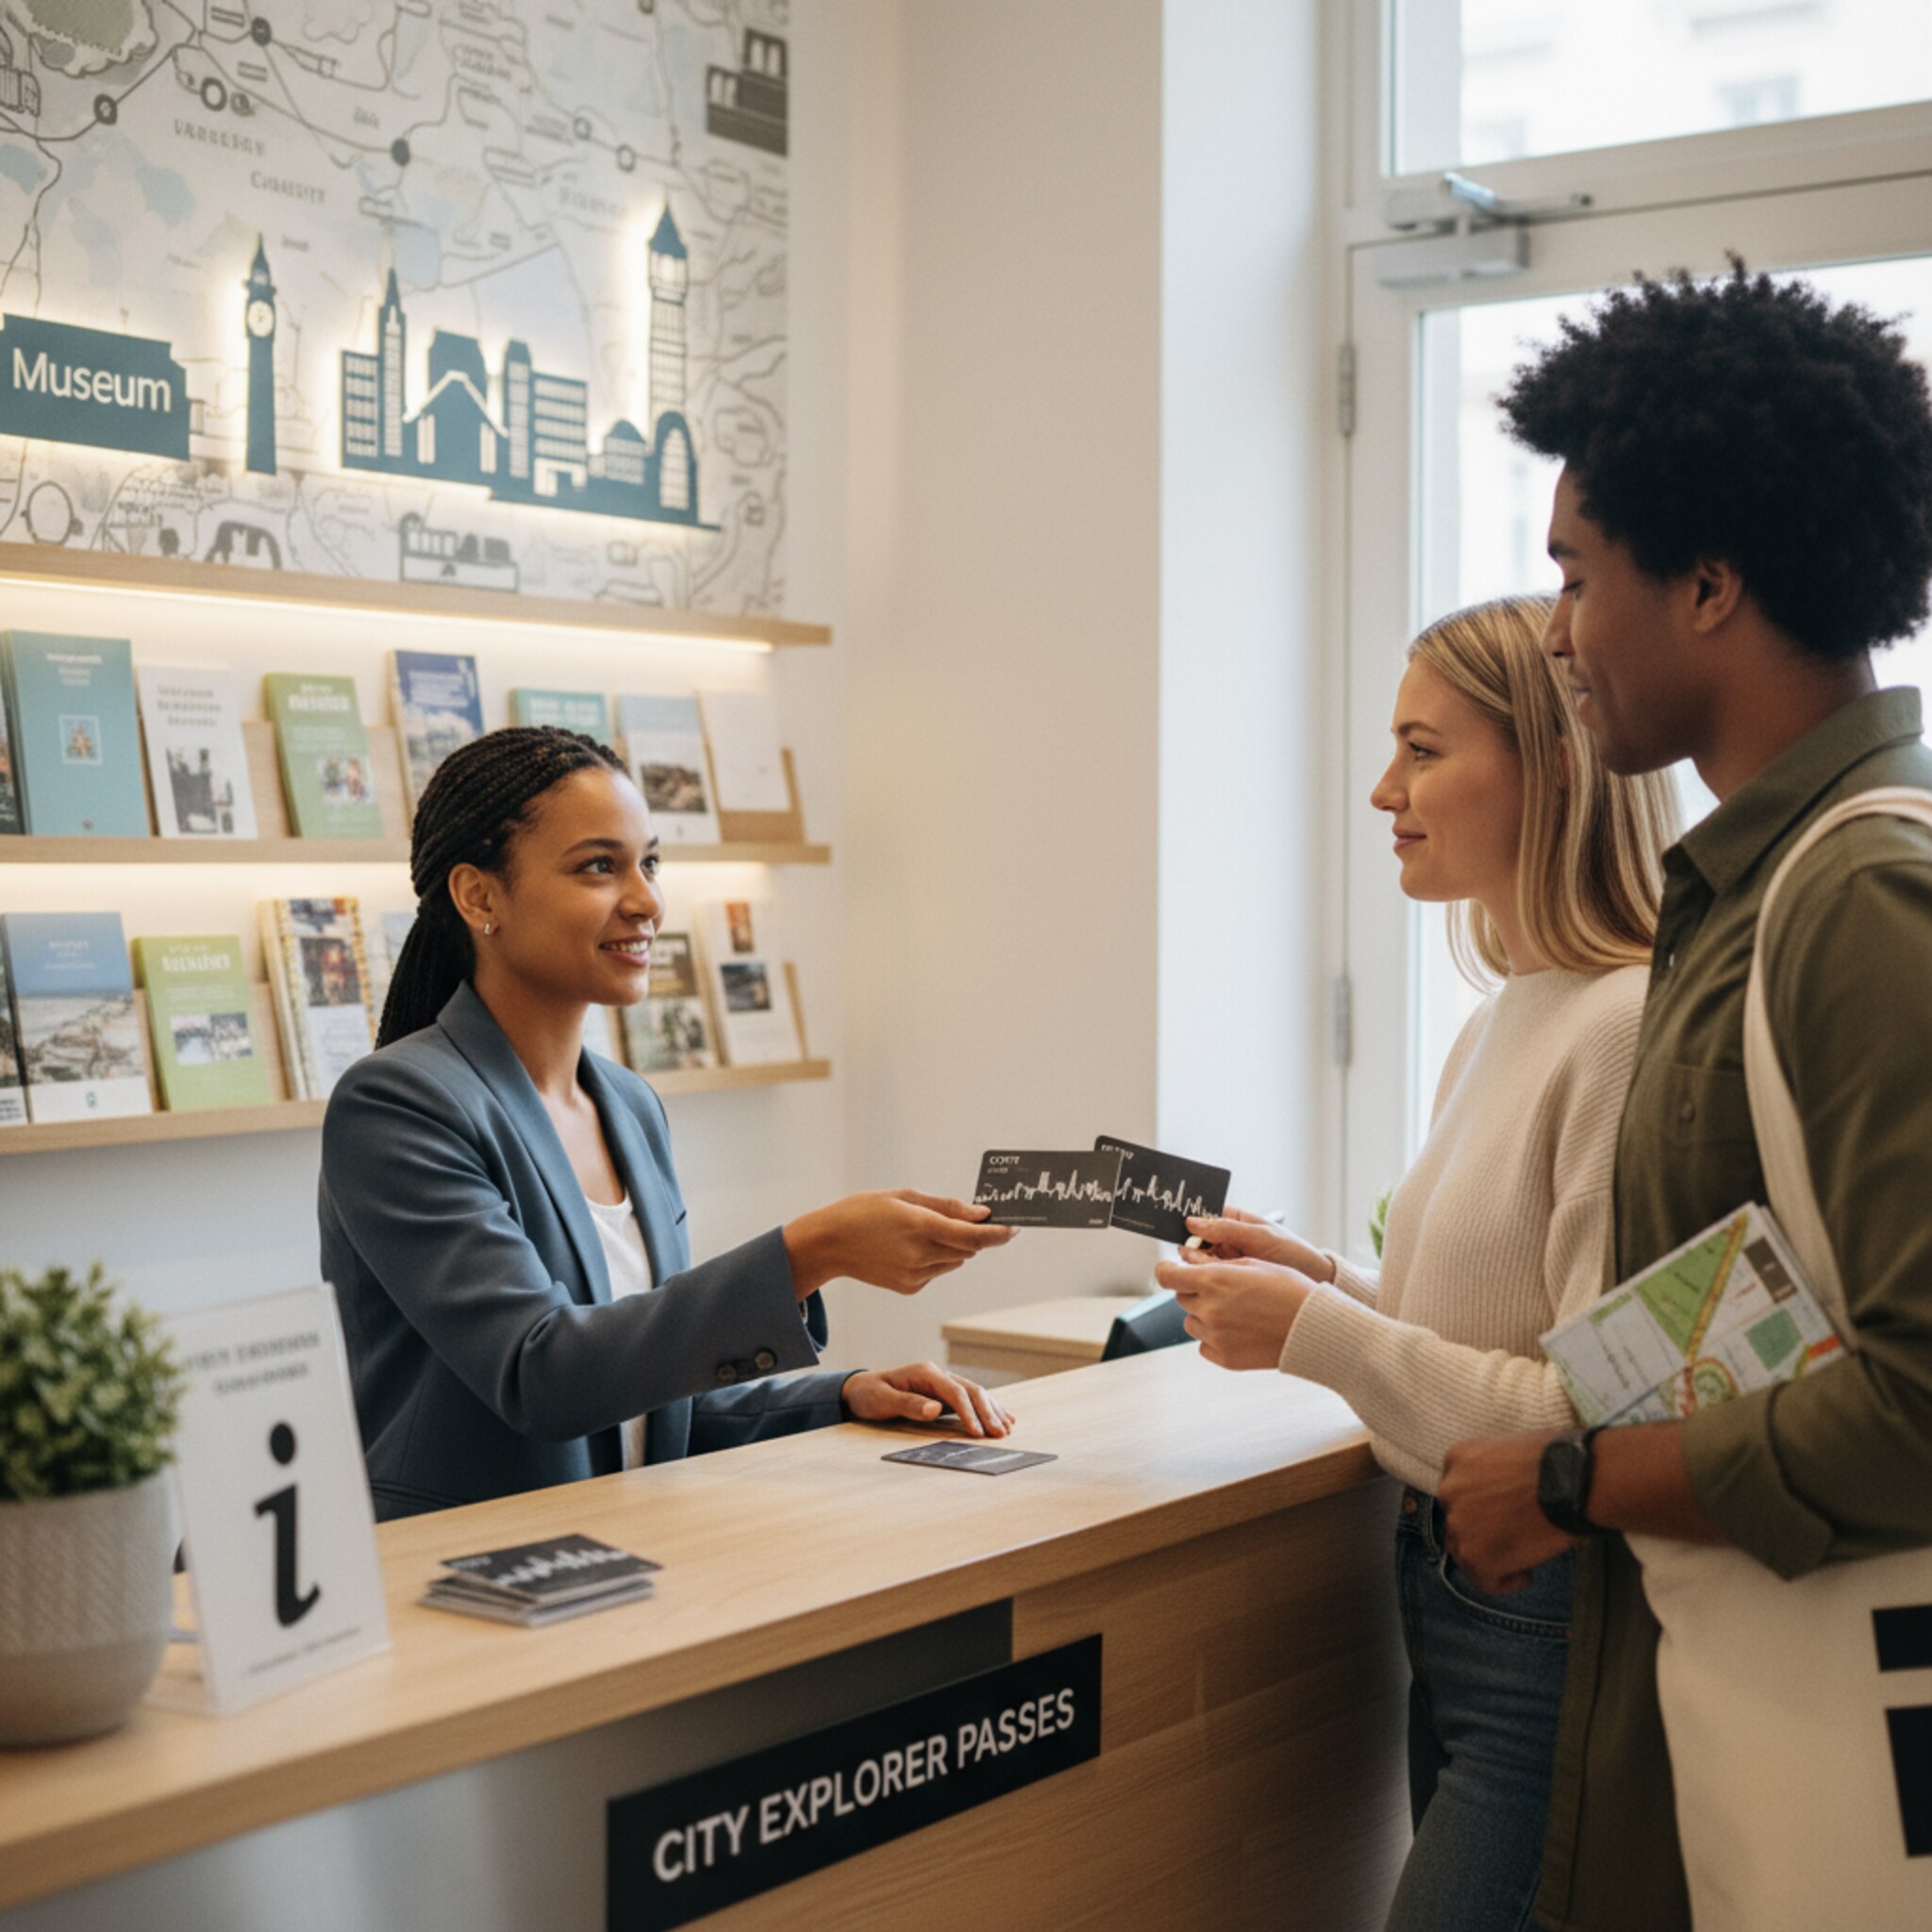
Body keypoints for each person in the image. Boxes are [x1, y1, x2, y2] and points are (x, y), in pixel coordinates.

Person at [1435, 263, 1932, 1932]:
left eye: (1576, 574)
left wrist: (1566, 1477)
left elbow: (1924, 1401)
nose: (1560, 628)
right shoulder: (1763, 883)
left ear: (1708, 582)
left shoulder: (1854, 895)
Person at [1159, 597, 1679, 1932]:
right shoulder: (1508, 1018)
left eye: (1422, 750)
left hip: (1540, 1618)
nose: (1386, 790)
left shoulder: (1619, 1034)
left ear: (1554, 765)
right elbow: (1499, 1329)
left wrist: (1314, 1334)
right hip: (1452, 1599)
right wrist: (1327, 1279)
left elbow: (1581, 1420)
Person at [321, 726, 1016, 1522]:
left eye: (648, 863)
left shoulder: (628, 1106)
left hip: (616, 1558)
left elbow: (644, 1400)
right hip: (456, 1575)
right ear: (479, 896)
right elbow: (541, 1375)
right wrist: (811, 1253)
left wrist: (844, 1395)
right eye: (598, 867)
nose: (647, 901)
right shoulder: (398, 1106)